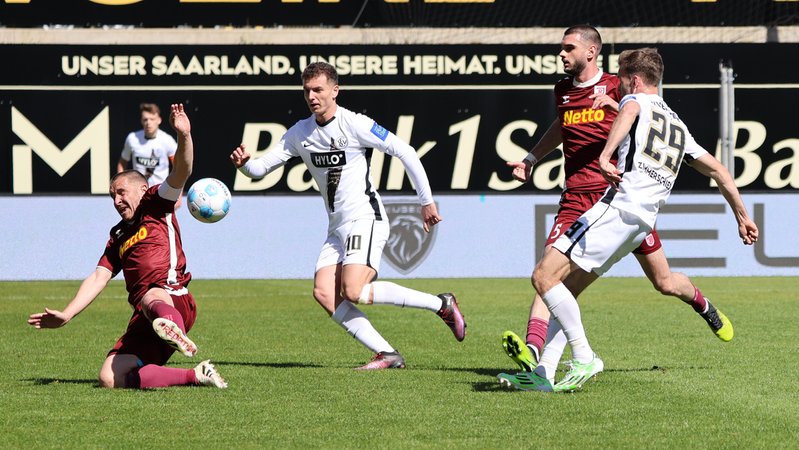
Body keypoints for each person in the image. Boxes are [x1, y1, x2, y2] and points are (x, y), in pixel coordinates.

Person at [498, 25, 739, 391]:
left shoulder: (621, 87)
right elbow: (564, 127)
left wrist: (609, 146)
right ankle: (538, 360)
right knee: (559, 281)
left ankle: (701, 305)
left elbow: (635, 111)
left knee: (662, 282)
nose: (561, 54)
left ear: (592, 52)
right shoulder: (565, 91)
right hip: (587, 199)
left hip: (615, 199)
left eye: (568, 48)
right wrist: (531, 157)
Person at [230, 62, 466, 370]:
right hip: (336, 226)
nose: (312, 96)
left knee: (353, 290)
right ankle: (388, 354)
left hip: (365, 217)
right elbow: (261, 168)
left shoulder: (355, 123)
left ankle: (441, 304)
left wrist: (426, 201)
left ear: (335, 90)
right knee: (324, 292)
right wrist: (246, 164)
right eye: (306, 91)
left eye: (318, 89)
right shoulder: (300, 132)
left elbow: (405, 151)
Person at [28, 104, 227, 389]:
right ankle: (196, 374)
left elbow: (182, 170)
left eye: (121, 193)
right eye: (112, 196)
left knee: (150, 294)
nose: (117, 201)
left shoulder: (156, 203)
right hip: (145, 315)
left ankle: (173, 326)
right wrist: (67, 314)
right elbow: (99, 276)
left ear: (142, 190)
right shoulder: (119, 235)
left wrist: (185, 136)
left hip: (173, 297)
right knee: (111, 376)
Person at [118, 103, 182, 207]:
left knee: (160, 223)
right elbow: (122, 163)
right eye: (145, 119)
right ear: (141, 121)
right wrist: (122, 188)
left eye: (152, 119)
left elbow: (179, 169)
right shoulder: (132, 139)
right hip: (138, 194)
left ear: (159, 120)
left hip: (162, 193)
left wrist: (178, 194)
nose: (148, 123)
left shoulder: (167, 141)